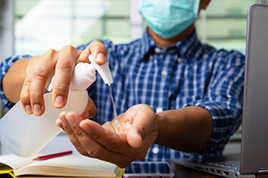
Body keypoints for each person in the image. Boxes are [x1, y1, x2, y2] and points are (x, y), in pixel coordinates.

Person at [0, 0, 244, 168]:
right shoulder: (103, 58)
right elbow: (5, 78)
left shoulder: (228, 63)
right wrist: (34, 70)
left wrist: (156, 125)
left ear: (204, 2)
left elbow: (219, 117)